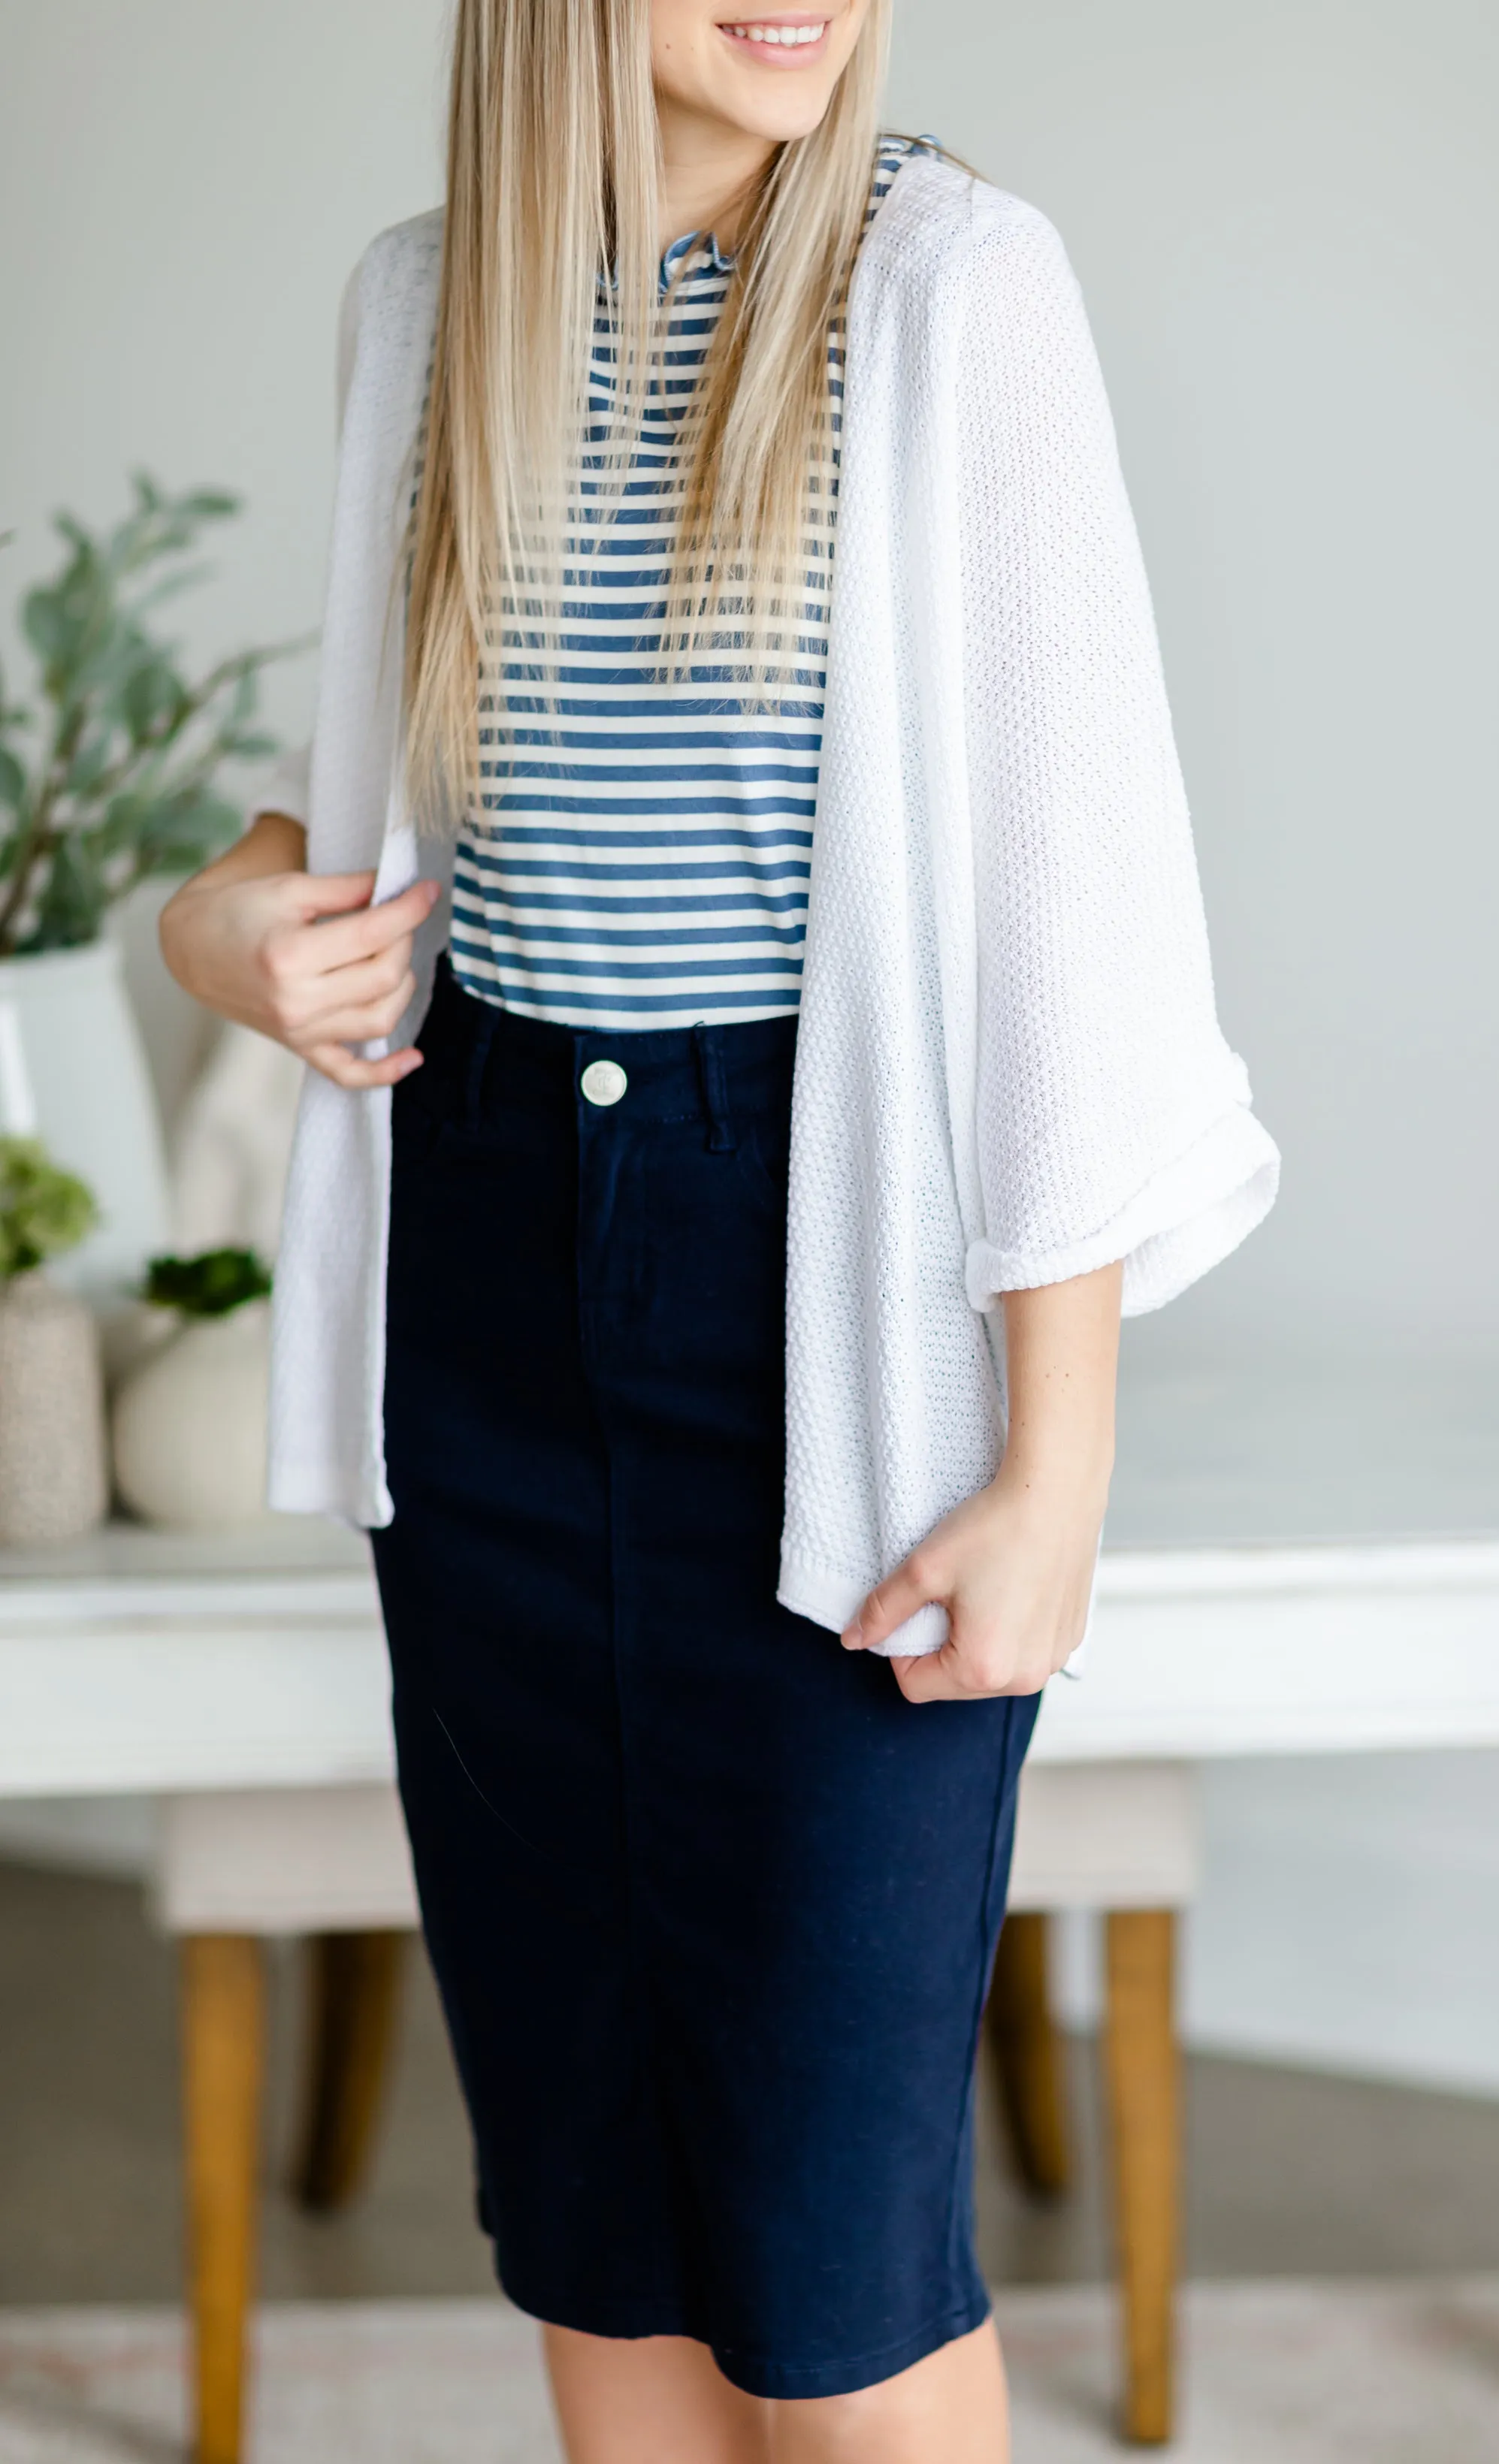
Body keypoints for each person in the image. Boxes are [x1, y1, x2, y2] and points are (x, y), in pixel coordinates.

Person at [162, 3, 1278, 2455]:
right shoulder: (419, 305)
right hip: (477, 1277)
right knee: (591, 2191)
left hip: (824, 1272)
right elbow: (368, 807)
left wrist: (1052, 1455)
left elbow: (1060, 922)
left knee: (830, 2238)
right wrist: (221, 935)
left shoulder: (949, 288)